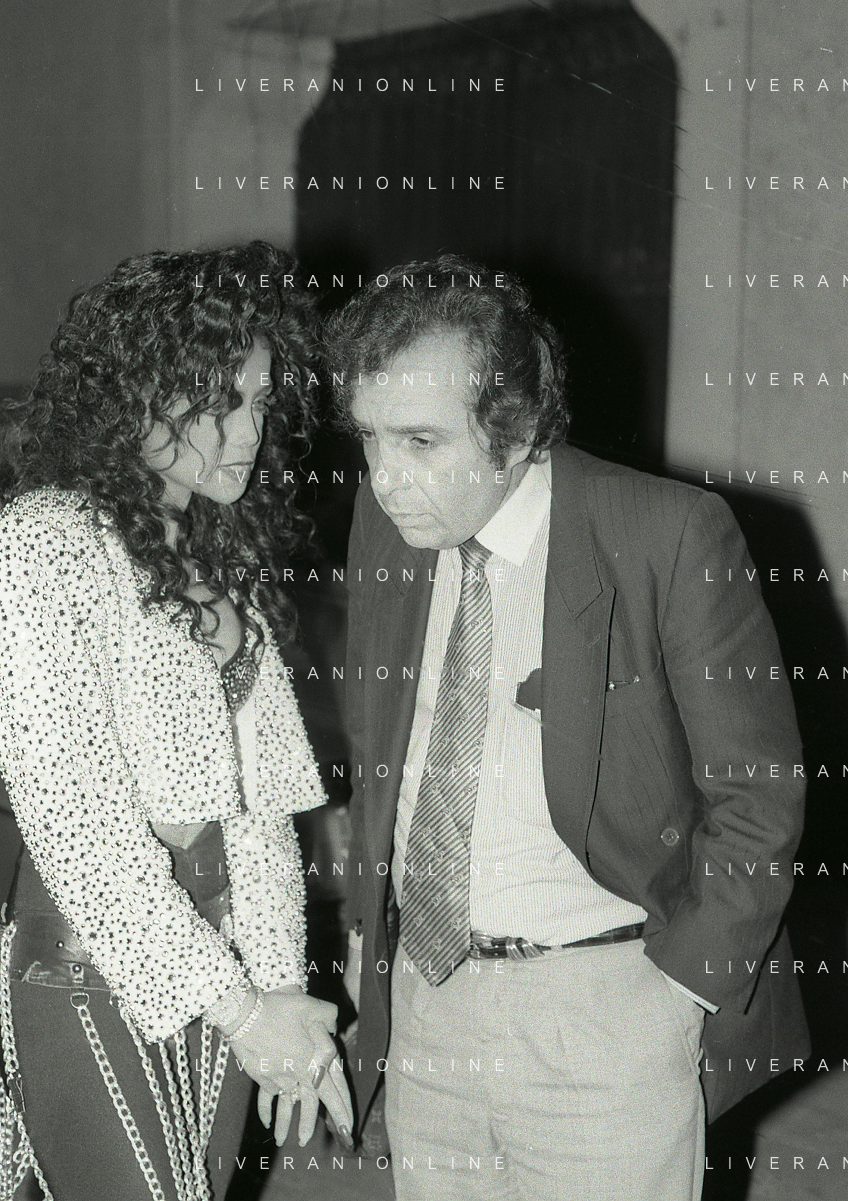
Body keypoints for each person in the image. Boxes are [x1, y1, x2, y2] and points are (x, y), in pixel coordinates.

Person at [324, 255, 809, 1201]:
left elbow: (759, 799)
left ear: (512, 429)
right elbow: (384, 757)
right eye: (370, 438)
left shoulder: (667, 533)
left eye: (421, 441)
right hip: (427, 1000)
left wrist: (678, 993)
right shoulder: (387, 532)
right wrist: (364, 935)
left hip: (606, 1007)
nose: (385, 478)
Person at [0, 242, 353, 1201]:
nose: (248, 431)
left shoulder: (224, 560)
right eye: (219, 401)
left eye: (262, 401)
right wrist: (244, 1009)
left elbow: (260, 816)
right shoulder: (46, 540)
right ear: (133, 396)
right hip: (89, 970)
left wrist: (281, 992)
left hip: (226, 971)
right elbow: (77, 828)